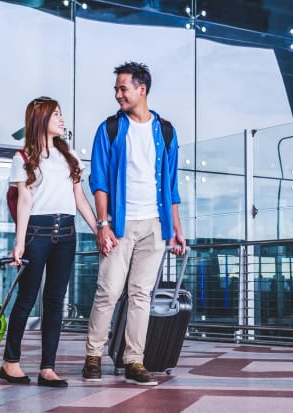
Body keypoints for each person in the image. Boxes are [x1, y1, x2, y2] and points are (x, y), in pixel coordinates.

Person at [82, 61, 186, 386]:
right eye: (116, 88)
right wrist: (103, 224)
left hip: (154, 225)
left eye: (122, 88)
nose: (117, 94)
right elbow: (98, 180)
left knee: (141, 294)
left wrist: (177, 230)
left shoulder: (166, 131)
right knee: (108, 292)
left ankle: (134, 360)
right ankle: (93, 356)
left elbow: (171, 186)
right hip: (119, 226)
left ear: (142, 89)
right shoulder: (109, 129)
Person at [0, 96, 99, 388]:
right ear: (40, 119)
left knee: (55, 302)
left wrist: (98, 229)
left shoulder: (70, 157)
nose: (61, 119)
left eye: (60, 114)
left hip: (67, 233)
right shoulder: (23, 158)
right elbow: (25, 201)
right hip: (36, 233)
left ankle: (48, 368)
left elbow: (79, 198)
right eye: (55, 114)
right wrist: (19, 242)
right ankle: (11, 362)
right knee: (27, 298)